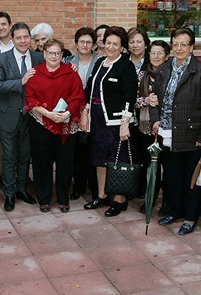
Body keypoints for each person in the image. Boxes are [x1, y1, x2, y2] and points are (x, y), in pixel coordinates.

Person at [150, 28, 201, 235]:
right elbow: (154, 100)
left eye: (184, 44)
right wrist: (155, 121)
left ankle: (190, 217)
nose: (179, 48)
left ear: (191, 47)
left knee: (191, 180)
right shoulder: (163, 70)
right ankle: (174, 210)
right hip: (168, 134)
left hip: (191, 135)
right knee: (172, 177)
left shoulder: (200, 71)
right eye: (176, 44)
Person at [80, 26, 137, 217]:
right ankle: (102, 195)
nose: (111, 47)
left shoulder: (126, 66)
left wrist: (124, 124)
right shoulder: (99, 63)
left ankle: (119, 200)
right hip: (97, 120)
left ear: (122, 47)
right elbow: (89, 90)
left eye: (116, 44)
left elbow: (130, 97)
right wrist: (85, 112)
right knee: (99, 160)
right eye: (108, 43)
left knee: (117, 160)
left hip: (115, 123)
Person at [25, 39, 86, 213]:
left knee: (64, 163)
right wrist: (49, 115)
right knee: (41, 162)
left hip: (66, 124)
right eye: (51, 52)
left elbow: (78, 97)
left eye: (57, 53)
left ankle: (62, 198)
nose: (54, 56)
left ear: (62, 55)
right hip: (41, 123)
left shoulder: (70, 73)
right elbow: (30, 98)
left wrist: (67, 114)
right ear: (44, 53)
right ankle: (44, 199)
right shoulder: (35, 73)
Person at [0, 22, 42, 211]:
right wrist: (21, 81)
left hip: (31, 116)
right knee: (9, 157)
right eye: (18, 37)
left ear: (30, 38)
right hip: (7, 116)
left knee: (24, 156)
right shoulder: (1, 59)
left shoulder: (38, 58)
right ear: (12, 39)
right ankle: (9, 194)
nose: (22, 41)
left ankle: (22, 189)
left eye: (25, 37)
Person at [135, 40, 170, 212]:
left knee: (168, 168)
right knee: (151, 166)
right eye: (153, 53)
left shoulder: (172, 74)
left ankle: (167, 202)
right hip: (146, 127)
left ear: (167, 56)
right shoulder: (142, 75)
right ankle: (150, 198)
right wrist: (146, 100)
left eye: (160, 53)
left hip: (168, 128)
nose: (156, 57)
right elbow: (132, 100)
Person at [67, 27, 100, 201]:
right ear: (76, 44)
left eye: (88, 42)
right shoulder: (68, 62)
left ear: (93, 45)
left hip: (94, 112)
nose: (85, 45)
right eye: (82, 42)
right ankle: (78, 186)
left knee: (93, 149)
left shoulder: (101, 61)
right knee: (77, 151)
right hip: (74, 112)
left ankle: (95, 188)